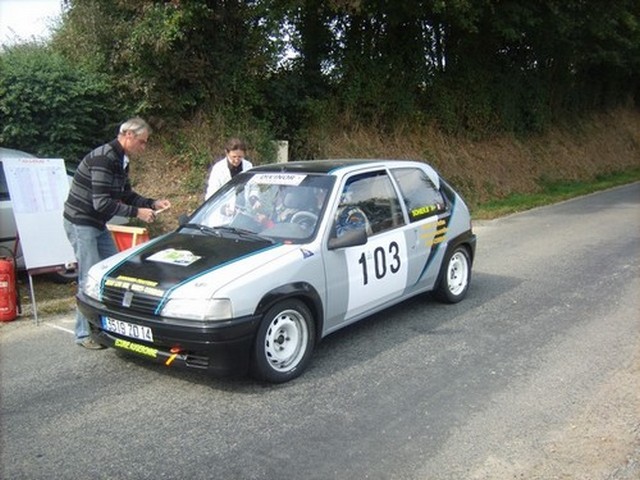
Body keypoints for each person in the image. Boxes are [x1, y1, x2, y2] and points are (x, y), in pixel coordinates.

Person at [63, 117, 171, 349]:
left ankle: (108, 326)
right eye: (142, 142)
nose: (144, 147)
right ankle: (84, 334)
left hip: (97, 223)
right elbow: (101, 202)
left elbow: (126, 194)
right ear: (128, 136)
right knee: (89, 277)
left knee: (112, 272)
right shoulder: (104, 158)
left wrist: (152, 203)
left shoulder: (121, 160)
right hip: (82, 222)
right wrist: (137, 213)